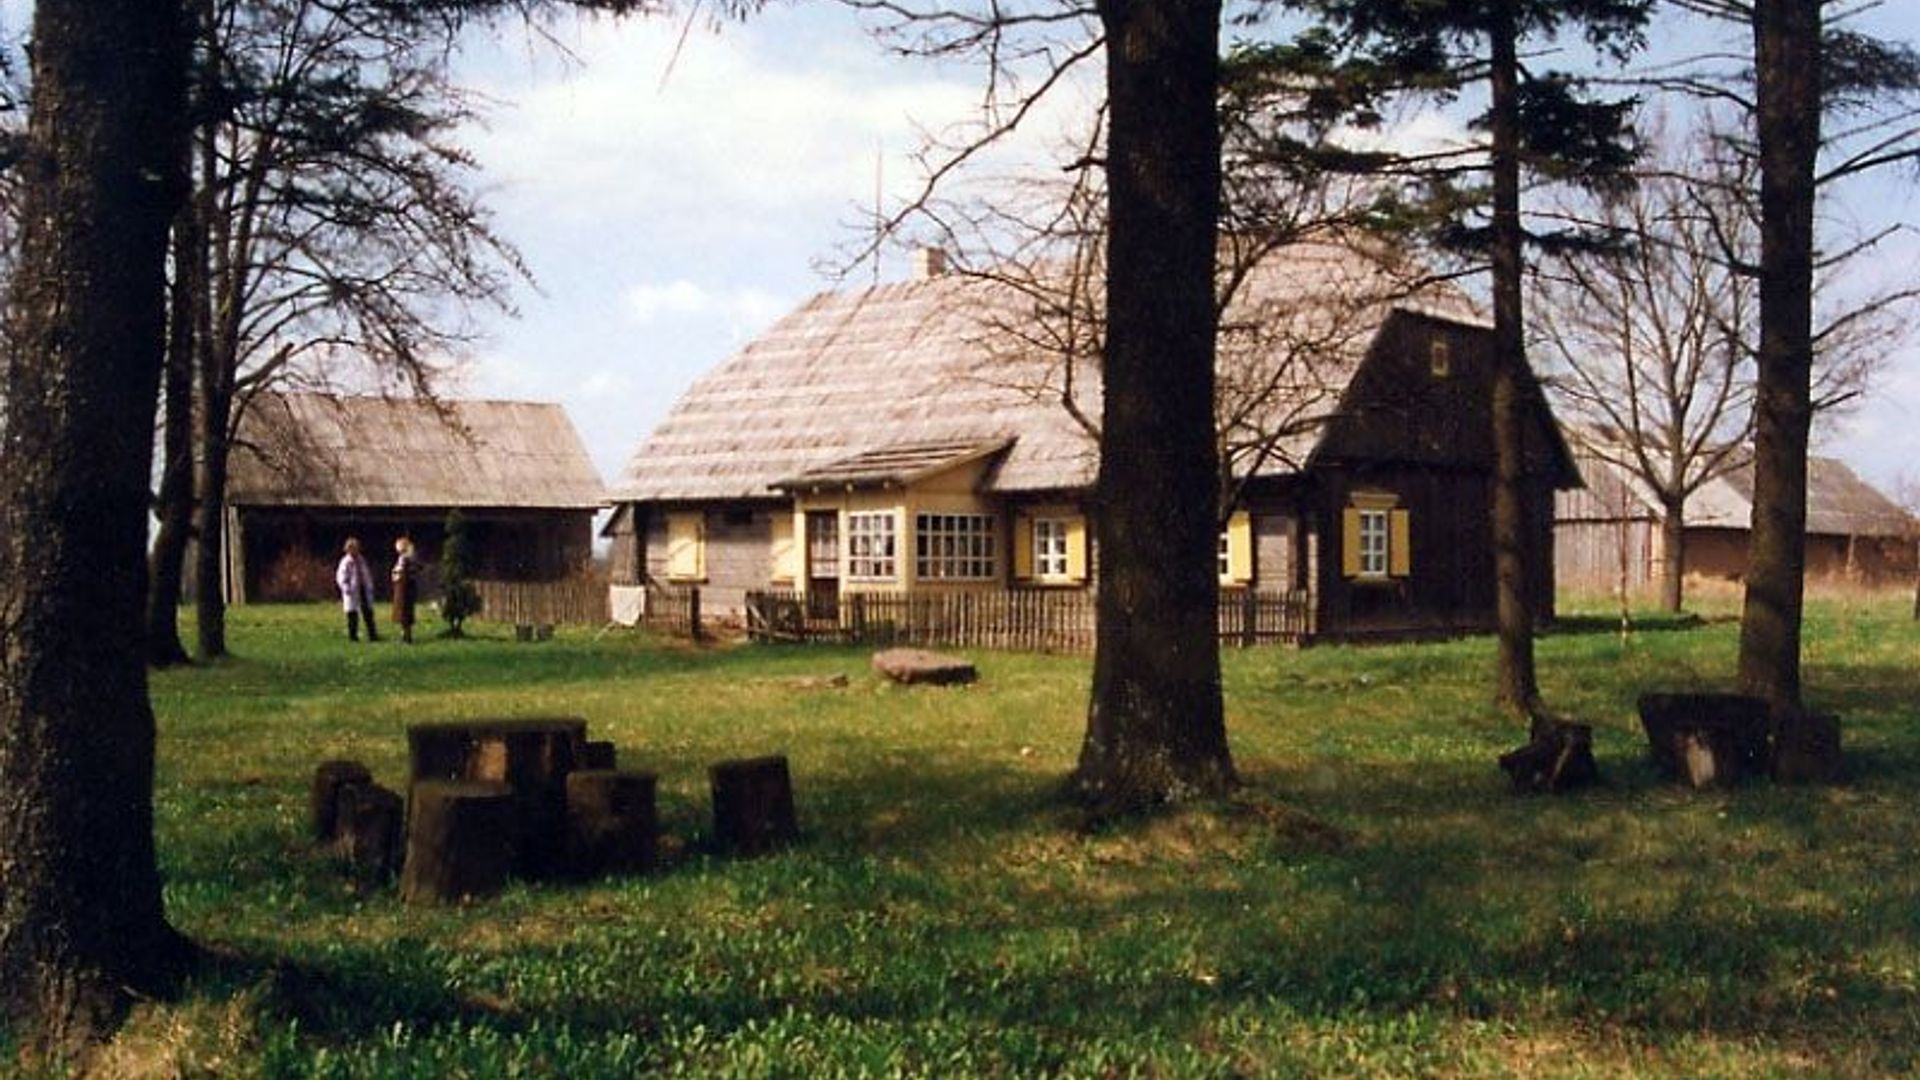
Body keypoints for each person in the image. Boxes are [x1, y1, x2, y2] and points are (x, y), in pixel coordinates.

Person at [335, 537, 378, 642]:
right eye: (352, 548)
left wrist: (370, 585)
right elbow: (341, 577)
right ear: (348, 549)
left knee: (368, 613)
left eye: (357, 548)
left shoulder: (361, 560)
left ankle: (372, 635)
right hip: (352, 590)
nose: (355, 550)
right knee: (352, 615)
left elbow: (366, 574)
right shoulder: (346, 562)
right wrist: (346, 587)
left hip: (363, 589)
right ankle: (353, 636)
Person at [391, 536, 419, 643]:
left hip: (404, 589)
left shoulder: (406, 559)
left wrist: (396, 574)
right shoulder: (406, 558)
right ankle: (405, 635)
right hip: (404, 587)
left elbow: (402, 572)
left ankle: (406, 637)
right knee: (404, 613)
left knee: (404, 613)